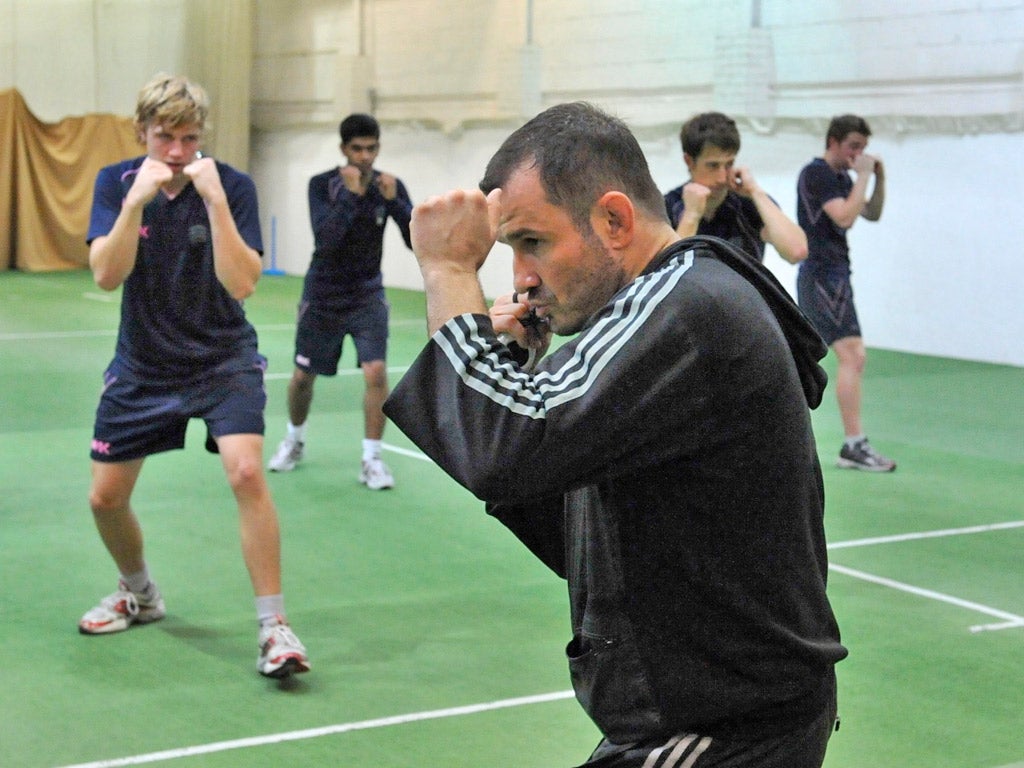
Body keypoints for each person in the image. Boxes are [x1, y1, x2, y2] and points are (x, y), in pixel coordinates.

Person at [384, 102, 847, 768]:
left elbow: (503, 451)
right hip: (715, 719)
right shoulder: (667, 303)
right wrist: (515, 371)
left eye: (533, 242)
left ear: (613, 220)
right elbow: (576, 527)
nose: (521, 276)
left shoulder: (686, 307)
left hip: (726, 727)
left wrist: (449, 275)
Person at [79, 73, 310, 679]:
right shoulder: (116, 182)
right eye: (165, 137)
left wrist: (213, 202)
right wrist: (135, 204)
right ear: (142, 133)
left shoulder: (230, 186)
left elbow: (243, 282)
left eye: (189, 137)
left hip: (222, 360)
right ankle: (140, 593)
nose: (178, 151)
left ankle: (274, 627)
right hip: (143, 365)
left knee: (245, 470)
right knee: (105, 498)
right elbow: (106, 275)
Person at [267, 113, 413, 489]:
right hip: (323, 297)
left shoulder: (390, 186)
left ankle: (372, 459)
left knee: (376, 372)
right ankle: (294, 440)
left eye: (372, 148)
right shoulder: (322, 186)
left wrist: (397, 204)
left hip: (367, 295)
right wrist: (351, 195)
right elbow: (326, 240)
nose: (365, 156)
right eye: (357, 148)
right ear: (343, 149)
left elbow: (415, 240)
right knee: (302, 378)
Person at [796, 114, 895, 472]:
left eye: (863, 148)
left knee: (850, 357)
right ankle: (853, 445)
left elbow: (872, 212)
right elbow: (845, 217)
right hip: (823, 276)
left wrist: (877, 179)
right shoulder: (817, 174)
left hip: (836, 275)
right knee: (852, 357)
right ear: (833, 142)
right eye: (853, 146)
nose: (858, 154)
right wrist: (865, 175)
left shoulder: (840, 177)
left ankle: (852, 444)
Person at [663, 111, 807, 264]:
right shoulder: (666, 207)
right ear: (689, 161)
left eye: (729, 164)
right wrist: (691, 216)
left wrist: (756, 192)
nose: (722, 177)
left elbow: (796, 251)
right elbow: (664, 274)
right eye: (713, 166)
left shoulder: (748, 203)